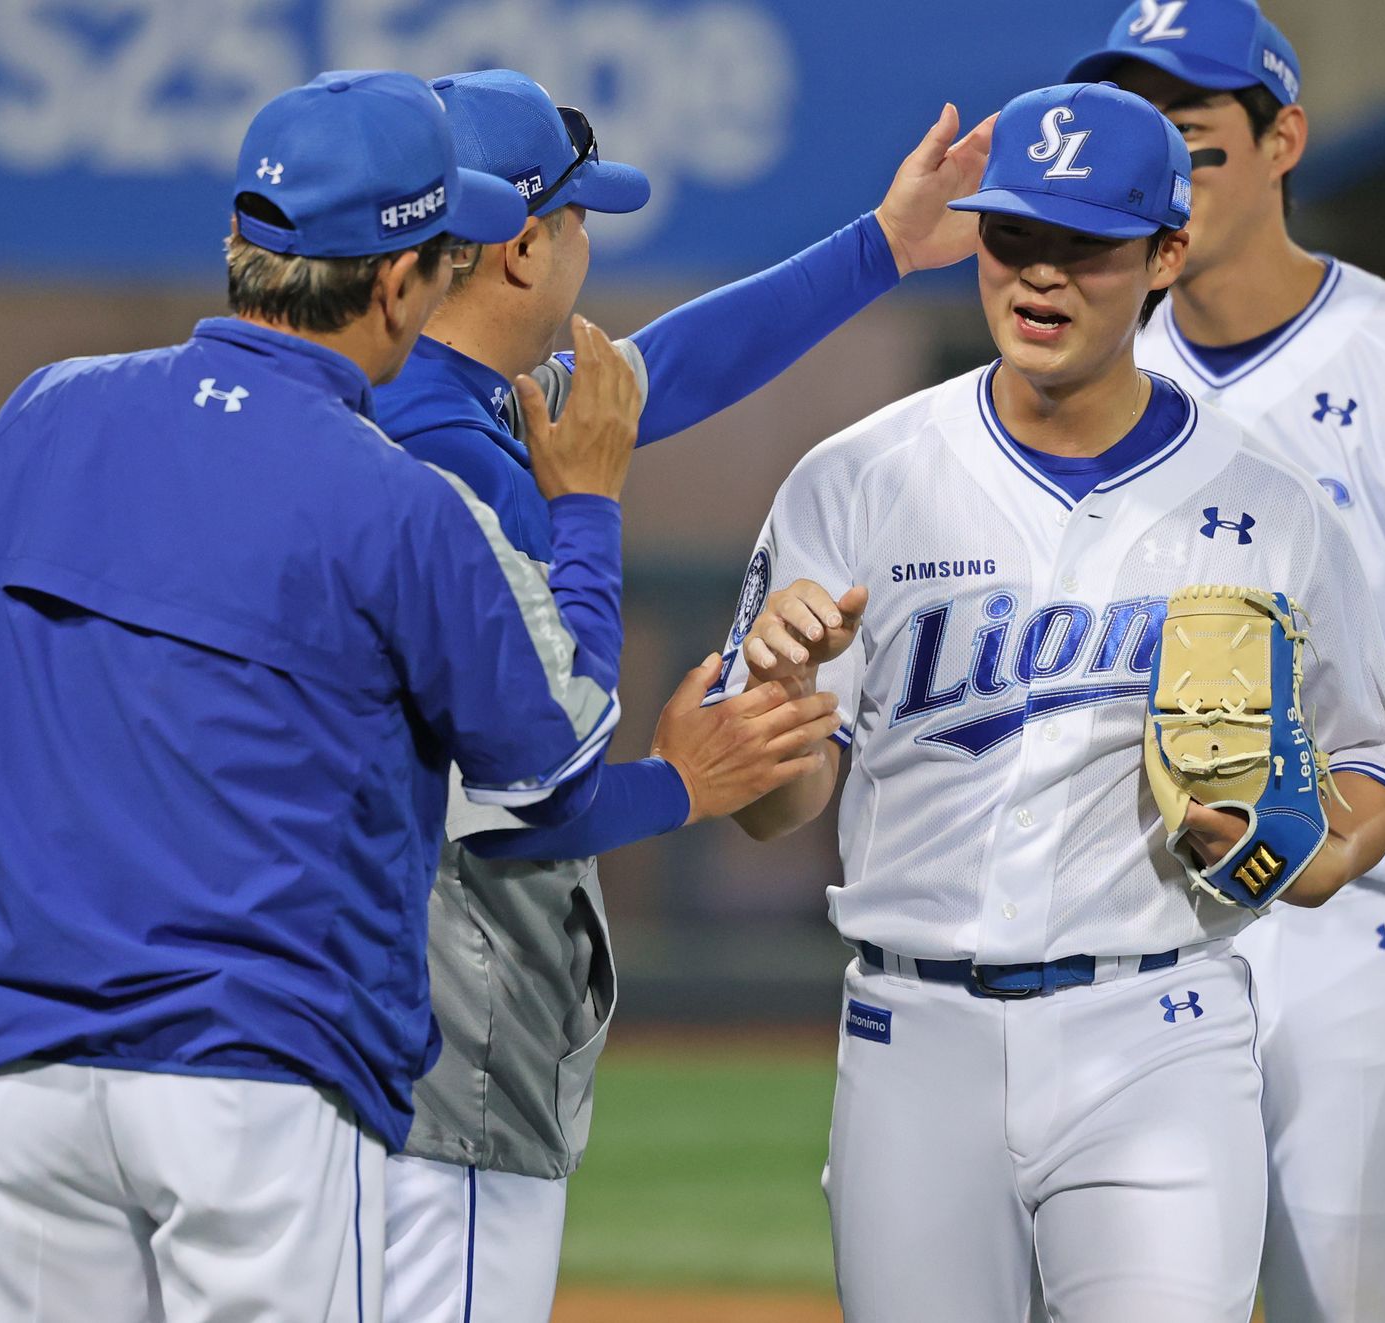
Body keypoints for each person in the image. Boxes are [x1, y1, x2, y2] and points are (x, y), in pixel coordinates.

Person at [0, 70, 820, 1323]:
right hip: (252, 1077)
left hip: (16, 1079)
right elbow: (555, 767)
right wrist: (583, 514)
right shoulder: (395, 500)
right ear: (406, 281)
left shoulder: (43, 415)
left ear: (244, 243)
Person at [720, 82, 1385, 1323]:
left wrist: (1309, 854)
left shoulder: (1265, 503)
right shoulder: (858, 479)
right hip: (910, 1035)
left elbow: (1371, 766)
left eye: (1082, 245)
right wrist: (773, 699)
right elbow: (776, 813)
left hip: (1158, 1026)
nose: (1037, 277)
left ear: (1162, 254)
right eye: (1011, 237)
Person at [367, 67, 993, 1323]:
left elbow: (658, 370)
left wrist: (878, 249)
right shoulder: (449, 457)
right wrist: (676, 787)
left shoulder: (422, 403)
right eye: (583, 216)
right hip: (442, 1010)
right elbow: (524, 783)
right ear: (524, 246)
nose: (593, 245)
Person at [1065, 5, 1385, 1316]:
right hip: (1136, 931)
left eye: (1192, 144)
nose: (1163, 183)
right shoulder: (1090, 376)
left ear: (1283, 139)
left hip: (1368, 932)